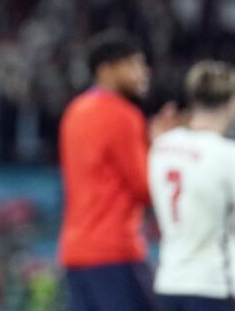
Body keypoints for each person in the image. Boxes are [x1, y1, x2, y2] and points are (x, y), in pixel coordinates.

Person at [58, 29, 172, 311]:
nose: (143, 73)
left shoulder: (74, 111)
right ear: (106, 70)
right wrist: (161, 147)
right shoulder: (122, 115)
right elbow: (145, 188)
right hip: (114, 251)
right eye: (133, 64)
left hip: (75, 252)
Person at [150, 60, 235, 311]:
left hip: (168, 283)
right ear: (231, 103)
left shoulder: (161, 146)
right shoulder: (227, 155)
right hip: (214, 285)